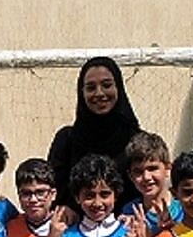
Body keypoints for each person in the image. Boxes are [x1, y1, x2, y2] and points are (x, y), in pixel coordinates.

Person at [47, 57, 142, 212]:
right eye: (91, 87)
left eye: (106, 85)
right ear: (81, 92)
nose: (99, 93)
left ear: (119, 88)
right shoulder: (66, 141)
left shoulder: (136, 140)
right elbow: (53, 190)